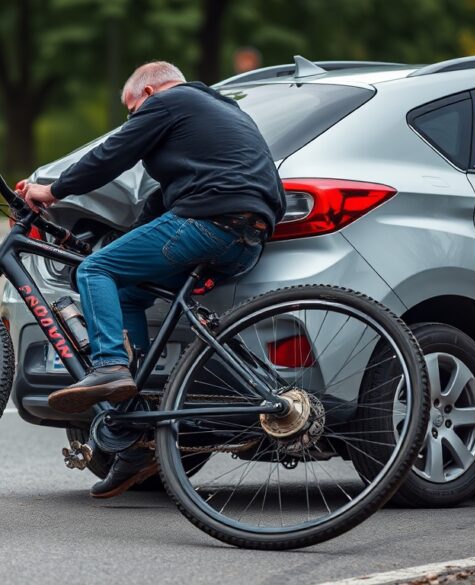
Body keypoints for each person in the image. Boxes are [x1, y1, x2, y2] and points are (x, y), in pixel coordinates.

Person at [19, 61, 286, 498]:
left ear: (148, 92)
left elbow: (112, 154)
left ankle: (109, 367)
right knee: (123, 289)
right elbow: (159, 202)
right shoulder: (218, 114)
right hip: (243, 234)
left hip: (210, 220)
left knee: (95, 270)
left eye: (131, 109)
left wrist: (52, 191)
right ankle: (132, 433)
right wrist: (123, 243)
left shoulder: (171, 99)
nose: (133, 119)